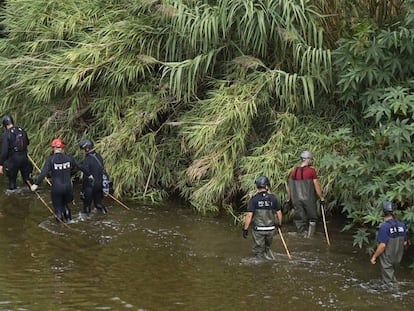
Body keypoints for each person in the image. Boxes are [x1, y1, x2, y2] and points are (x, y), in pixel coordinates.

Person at [30, 138, 91, 222]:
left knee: (58, 209)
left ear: (53, 148)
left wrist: (36, 185)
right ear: (62, 148)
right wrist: (90, 175)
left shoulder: (50, 160)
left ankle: (59, 228)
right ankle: (70, 221)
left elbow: (43, 173)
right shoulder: (69, 158)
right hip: (68, 188)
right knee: (65, 205)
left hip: (57, 188)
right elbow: (80, 167)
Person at [242, 176, 282, 260]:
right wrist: (279, 224)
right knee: (267, 248)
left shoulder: (254, 199)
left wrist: (245, 229)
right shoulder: (273, 198)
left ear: (257, 186)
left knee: (259, 251)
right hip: (270, 229)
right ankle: (269, 260)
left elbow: (249, 215)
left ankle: (260, 265)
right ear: (267, 186)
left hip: (258, 230)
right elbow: (279, 213)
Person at [370, 201, 408, 287]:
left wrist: (374, 257)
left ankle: (395, 297)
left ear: (383, 213)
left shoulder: (384, 227)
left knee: (389, 283)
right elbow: (405, 243)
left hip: (387, 258)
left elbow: (383, 245)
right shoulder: (402, 225)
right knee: (393, 278)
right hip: (398, 257)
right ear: (393, 212)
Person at [287, 150, 324, 238]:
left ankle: (301, 234)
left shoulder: (294, 171)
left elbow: (289, 187)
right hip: (309, 198)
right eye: (311, 159)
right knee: (312, 217)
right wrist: (321, 198)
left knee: (299, 218)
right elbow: (316, 185)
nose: (311, 161)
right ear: (307, 159)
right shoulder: (311, 171)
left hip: (296, 199)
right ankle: (310, 236)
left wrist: (288, 200)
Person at [0, 114, 33, 190]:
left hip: (13, 160)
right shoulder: (21, 130)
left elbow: (4, 152)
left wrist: (0, 164)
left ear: (5, 125)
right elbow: (27, 142)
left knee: (12, 183)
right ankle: (33, 190)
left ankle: (13, 197)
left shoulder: (6, 134)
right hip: (24, 158)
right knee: (27, 179)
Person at [79, 139, 107, 215]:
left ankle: (87, 222)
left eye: (82, 150)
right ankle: (105, 216)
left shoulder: (87, 160)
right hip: (99, 185)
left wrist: (82, 190)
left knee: (87, 206)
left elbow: (86, 176)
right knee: (98, 204)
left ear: (87, 149)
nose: (82, 152)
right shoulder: (99, 156)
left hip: (90, 186)